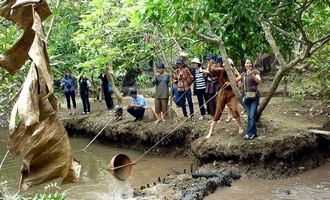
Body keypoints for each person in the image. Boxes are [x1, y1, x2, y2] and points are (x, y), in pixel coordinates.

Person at [206, 58, 244, 139]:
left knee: (234, 109)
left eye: (228, 65)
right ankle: (210, 131)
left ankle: (240, 126)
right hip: (222, 93)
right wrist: (209, 64)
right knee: (218, 112)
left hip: (232, 93)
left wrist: (231, 82)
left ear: (231, 66)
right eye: (225, 65)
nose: (226, 67)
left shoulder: (233, 71)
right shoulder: (221, 70)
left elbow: (240, 77)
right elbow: (210, 70)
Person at [236, 59, 262, 140]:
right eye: (246, 63)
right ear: (244, 65)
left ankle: (249, 133)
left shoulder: (255, 72)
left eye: (249, 63)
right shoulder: (243, 74)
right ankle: (253, 133)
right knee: (249, 116)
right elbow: (235, 80)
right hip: (246, 97)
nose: (248, 64)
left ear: (251, 64)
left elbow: (260, 81)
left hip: (254, 97)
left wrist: (252, 75)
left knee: (251, 116)